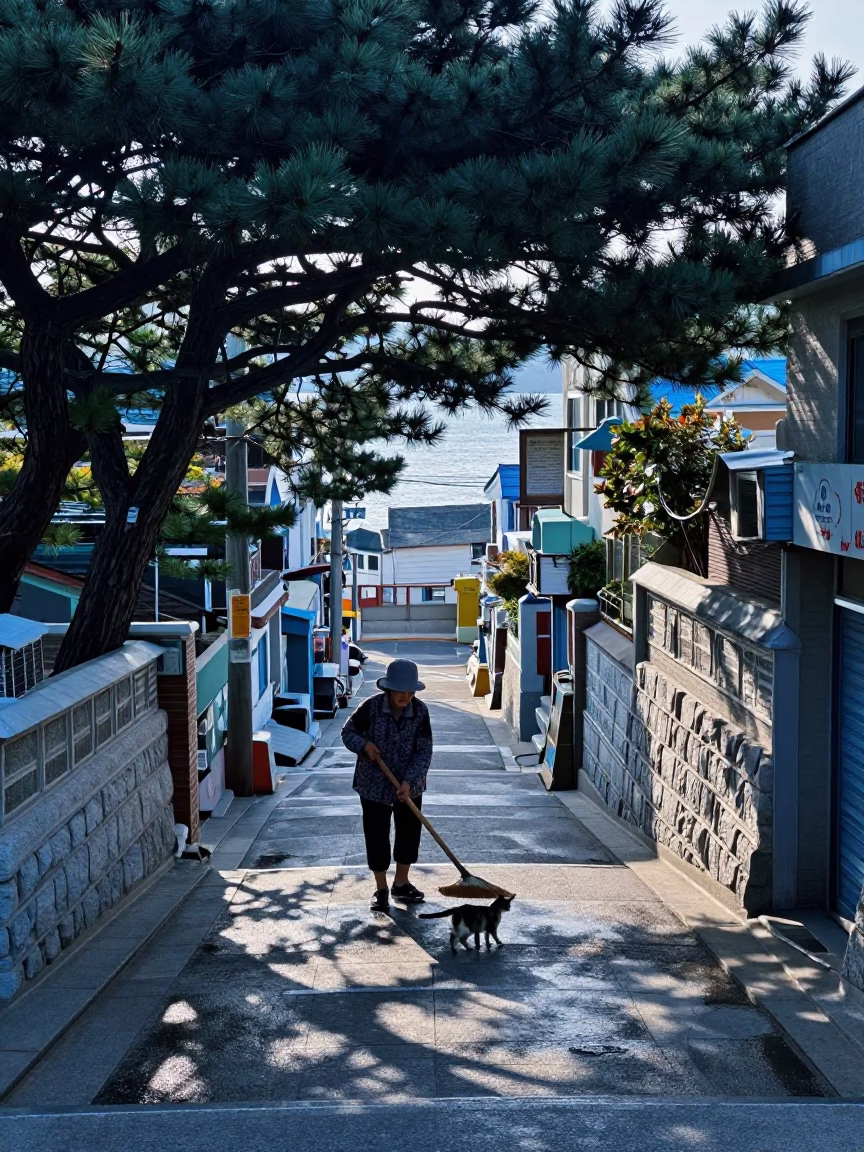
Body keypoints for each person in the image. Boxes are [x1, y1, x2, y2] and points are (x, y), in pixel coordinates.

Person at [341, 658, 432, 911]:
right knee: (376, 835)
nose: (404, 696)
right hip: (373, 785)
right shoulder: (370, 708)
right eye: (399, 690)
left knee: (409, 834)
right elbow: (347, 733)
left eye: (409, 691)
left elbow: (424, 752)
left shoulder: (420, 712)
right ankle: (381, 888)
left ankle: (401, 884)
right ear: (387, 689)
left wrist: (409, 782)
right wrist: (364, 746)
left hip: (408, 787)